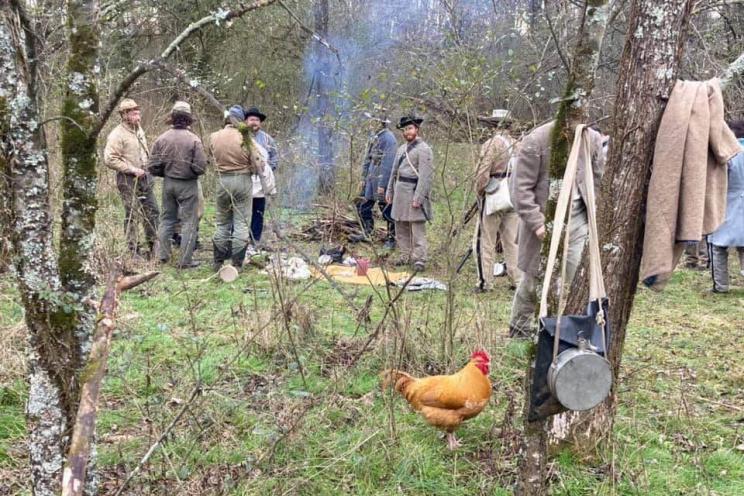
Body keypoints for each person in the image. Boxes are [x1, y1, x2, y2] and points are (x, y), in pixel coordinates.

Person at [508, 121, 606, 338]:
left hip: (579, 219)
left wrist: (594, 209)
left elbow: (599, 178)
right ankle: (520, 329)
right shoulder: (537, 140)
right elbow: (520, 189)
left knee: (573, 279)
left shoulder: (592, 139)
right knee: (534, 280)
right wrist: (537, 222)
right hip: (545, 221)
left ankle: (564, 332)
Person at [148, 101, 207, 269]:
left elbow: (152, 165)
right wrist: (190, 173)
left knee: (166, 220)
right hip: (188, 184)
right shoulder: (194, 140)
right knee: (189, 222)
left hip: (168, 183)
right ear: (189, 120)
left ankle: (162, 256)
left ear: (172, 118)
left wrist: (165, 173)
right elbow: (200, 167)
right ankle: (185, 261)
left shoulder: (161, 138)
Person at [209, 105, 267, 272]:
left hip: (222, 180)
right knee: (241, 222)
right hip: (242, 180)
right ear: (240, 120)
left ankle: (218, 262)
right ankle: (236, 264)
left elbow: (209, 158)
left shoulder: (214, 136)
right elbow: (258, 163)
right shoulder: (245, 137)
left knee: (222, 222)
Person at [104, 98, 160, 258]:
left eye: (138, 112)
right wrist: (132, 169)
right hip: (127, 179)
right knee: (132, 214)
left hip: (145, 177)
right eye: (134, 113)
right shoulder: (116, 134)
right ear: (124, 115)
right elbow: (109, 158)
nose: (138, 116)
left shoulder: (139, 130)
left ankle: (154, 247)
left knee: (153, 211)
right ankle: (133, 251)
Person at [473, 112, 522, 292]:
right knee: (512, 242)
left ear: (494, 125)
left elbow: (482, 172)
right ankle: (517, 280)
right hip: (514, 193)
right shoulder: (518, 144)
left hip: (494, 194)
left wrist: (479, 191)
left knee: (485, 239)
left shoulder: (491, 144)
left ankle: (485, 281)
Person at [386, 115, 434, 272]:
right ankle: (405, 255)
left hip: (414, 191)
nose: (407, 132)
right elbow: (394, 172)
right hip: (400, 192)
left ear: (417, 129)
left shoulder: (424, 149)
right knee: (400, 225)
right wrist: (389, 190)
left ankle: (419, 258)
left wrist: (418, 198)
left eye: (410, 128)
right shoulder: (401, 149)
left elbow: (426, 177)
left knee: (417, 228)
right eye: (405, 129)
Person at [350, 113, 398, 248]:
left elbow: (388, 163)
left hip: (381, 179)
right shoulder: (374, 136)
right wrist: (363, 178)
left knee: (387, 210)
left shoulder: (389, 138)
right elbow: (367, 159)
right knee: (362, 205)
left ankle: (391, 239)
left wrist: (382, 184)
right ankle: (367, 233)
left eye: (374, 121)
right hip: (371, 177)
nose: (371, 123)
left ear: (381, 123)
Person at [708, 120, 744, 293]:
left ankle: (721, 286)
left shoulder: (727, 154)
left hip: (726, 202)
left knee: (718, 246)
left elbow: (717, 179)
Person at [243, 106, 278, 246]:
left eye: (257, 120)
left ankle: (255, 240)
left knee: (258, 212)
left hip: (261, 182)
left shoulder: (267, 139)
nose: (254, 122)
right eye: (251, 119)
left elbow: (275, 157)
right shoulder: (241, 136)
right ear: (245, 121)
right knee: (243, 212)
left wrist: (268, 170)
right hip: (245, 179)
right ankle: (240, 240)